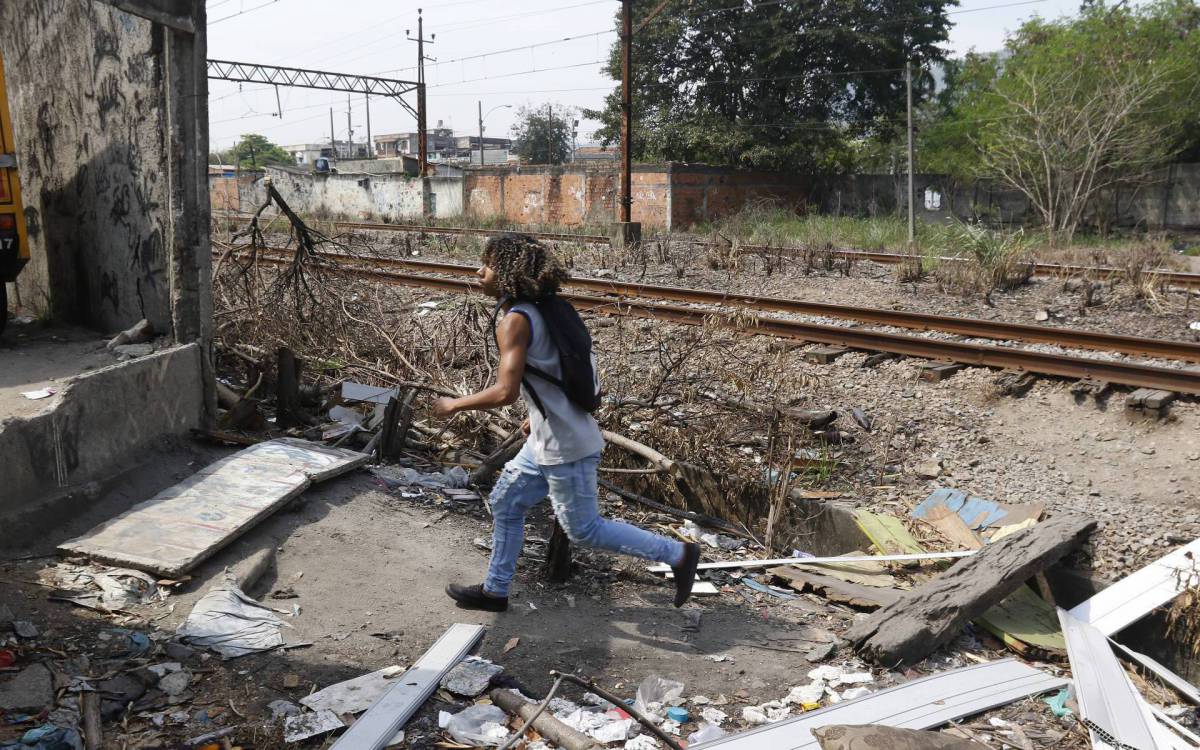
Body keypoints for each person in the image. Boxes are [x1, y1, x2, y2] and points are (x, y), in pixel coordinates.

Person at [432, 233, 700, 612]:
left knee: (584, 530)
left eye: (488, 265)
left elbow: (505, 391)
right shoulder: (552, 309)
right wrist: (536, 414)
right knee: (506, 502)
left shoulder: (515, 321)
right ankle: (495, 591)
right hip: (546, 438)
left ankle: (678, 553)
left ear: (507, 273)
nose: (480, 271)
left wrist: (453, 405)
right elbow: (555, 373)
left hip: (565, 446)